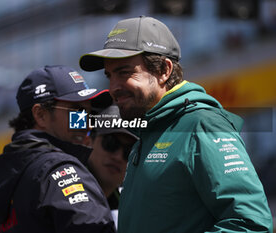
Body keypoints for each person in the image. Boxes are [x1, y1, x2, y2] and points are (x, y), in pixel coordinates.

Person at [79, 16, 273, 233]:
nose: (113, 87)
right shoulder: (146, 132)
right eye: (109, 75)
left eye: (124, 72)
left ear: (164, 70)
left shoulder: (202, 124)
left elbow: (251, 224)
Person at [0, 65, 116, 233]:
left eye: (89, 113)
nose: (86, 123)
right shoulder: (59, 167)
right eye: (77, 112)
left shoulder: (10, 170)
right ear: (41, 115)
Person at [87, 105, 138, 229]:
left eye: (129, 151)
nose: (118, 157)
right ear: (88, 140)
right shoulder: (62, 189)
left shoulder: (129, 212)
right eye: (111, 143)